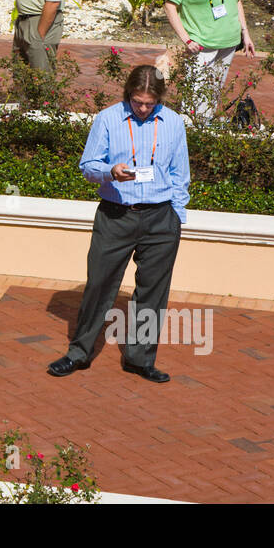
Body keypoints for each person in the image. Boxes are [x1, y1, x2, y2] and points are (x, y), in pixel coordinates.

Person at [47, 66, 189, 384]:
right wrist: (111, 171)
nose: (142, 109)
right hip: (116, 214)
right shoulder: (108, 119)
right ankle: (78, 353)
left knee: (153, 293)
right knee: (99, 285)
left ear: (159, 100)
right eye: (138, 102)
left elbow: (181, 172)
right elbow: (88, 166)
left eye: (149, 103)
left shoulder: (174, 123)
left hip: (160, 217)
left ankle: (140, 358)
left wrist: (177, 215)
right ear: (128, 95)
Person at [164, 0, 255, 120]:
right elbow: (170, 6)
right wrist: (186, 39)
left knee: (213, 93)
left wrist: (245, 34)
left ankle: (204, 130)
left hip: (229, 42)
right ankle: (190, 134)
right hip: (201, 44)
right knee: (194, 98)